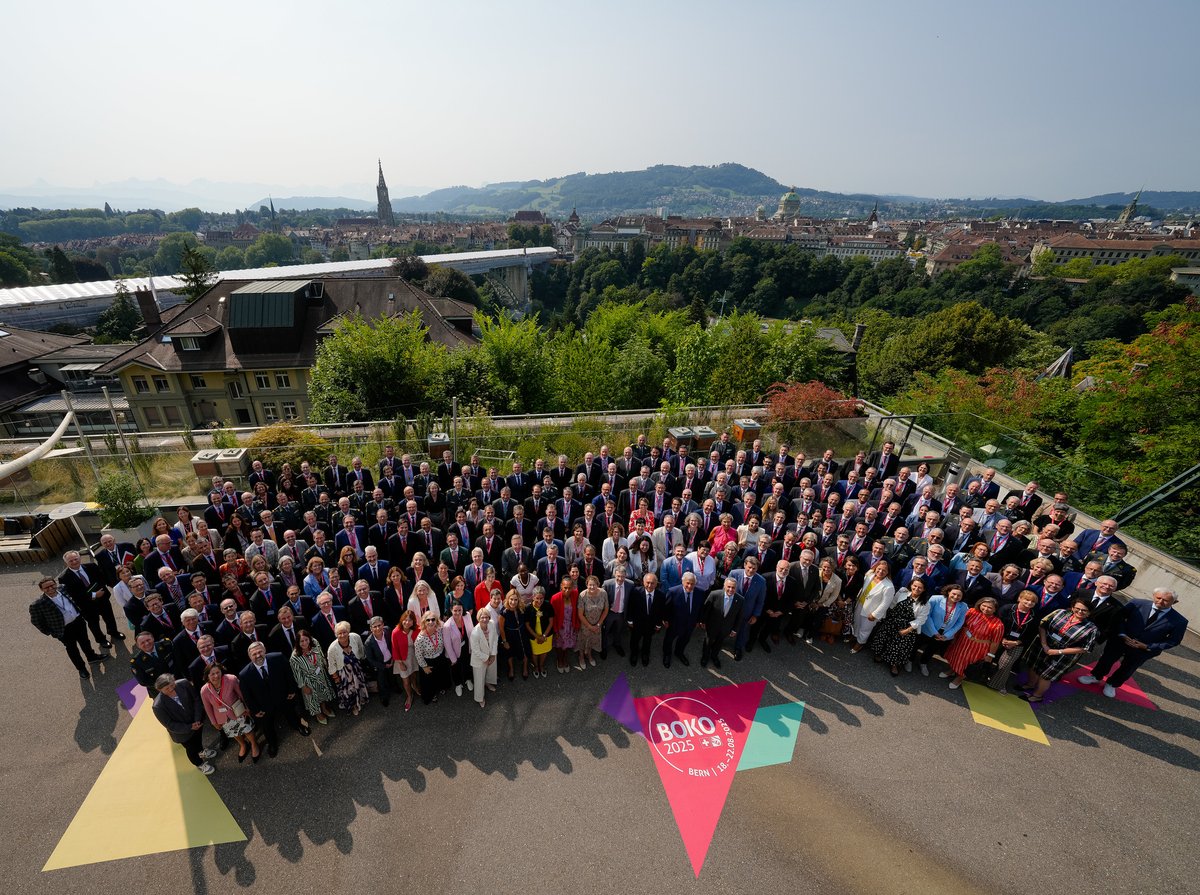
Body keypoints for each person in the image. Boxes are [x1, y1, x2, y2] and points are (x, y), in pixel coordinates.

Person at [1079, 589, 1188, 697]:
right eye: (1158, 598)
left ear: (1174, 602)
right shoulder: (1137, 603)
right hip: (1120, 640)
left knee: (1128, 668)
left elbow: (1174, 640)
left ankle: (1112, 684)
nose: (1160, 601)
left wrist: (1147, 646)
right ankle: (1095, 676)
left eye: (1165, 600)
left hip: (1143, 649)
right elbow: (1119, 619)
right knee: (1106, 659)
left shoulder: (1179, 621)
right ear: (1154, 595)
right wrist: (1122, 634)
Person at [1018, 596, 1099, 703]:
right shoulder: (1060, 612)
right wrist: (1044, 643)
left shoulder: (1091, 629)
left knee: (1046, 676)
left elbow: (1085, 648)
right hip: (1042, 646)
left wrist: (1058, 651)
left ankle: (1037, 696)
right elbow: (1043, 625)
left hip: (1063, 656)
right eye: (1077, 608)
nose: (1080, 612)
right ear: (1072, 607)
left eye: (1084, 610)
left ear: (1089, 613)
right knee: (1034, 666)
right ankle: (1030, 684)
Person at [238, 641, 310, 757]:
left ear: (265, 650)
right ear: (249, 656)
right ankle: (272, 743)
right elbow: (247, 695)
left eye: (260, 652)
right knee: (267, 726)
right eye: (254, 654)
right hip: (264, 706)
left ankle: (298, 726)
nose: (258, 656)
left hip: (283, 697)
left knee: (291, 713)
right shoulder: (244, 674)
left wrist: (292, 690)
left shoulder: (278, 657)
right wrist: (255, 710)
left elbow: (289, 674)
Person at [30, 576, 106, 679]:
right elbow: (36, 621)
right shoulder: (38, 604)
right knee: (72, 649)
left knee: (85, 642)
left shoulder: (63, 588)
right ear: (41, 589)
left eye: (52, 585)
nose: (50, 588)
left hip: (78, 622)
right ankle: (81, 669)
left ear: (55, 584)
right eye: (46, 588)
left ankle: (92, 657)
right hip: (63, 630)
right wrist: (51, 632)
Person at [152, 674, 216, 775]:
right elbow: (169, 724)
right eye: (166, 689)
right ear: (159, 690)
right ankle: (199, 763)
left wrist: (197, 719)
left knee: (198, 740)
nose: (171, 689)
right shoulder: (158, 706)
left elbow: (196, 699)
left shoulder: (184, 683)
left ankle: (201, 751)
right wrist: (190, 727)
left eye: (172, 685)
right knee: (191, 748)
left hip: (197, 721)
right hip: (182, 733)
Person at [199, 662, 259, 763]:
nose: (216, 676)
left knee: (247, 729)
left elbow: (242, 694)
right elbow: (208, 708)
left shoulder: (231, 679)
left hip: (238, 711)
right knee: (234, 733)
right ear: (207, 676)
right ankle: (243, 744)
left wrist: (247, 708)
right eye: (212, 674)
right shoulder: (204, 690)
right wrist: (214, 722)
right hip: (222, 718)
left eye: (218, 672)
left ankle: (253, 744)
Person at [869, 579, 930, 676]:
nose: (916, 589)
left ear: (924, 589)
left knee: (899, 646)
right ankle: (881, 655)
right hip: (892, 622)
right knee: (886, 639)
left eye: (920, 587)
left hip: (907, 627)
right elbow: (892, 604)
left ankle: (894, 665)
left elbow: (921, 620)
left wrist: (907, 630)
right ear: (911, 585)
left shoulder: (925, 603)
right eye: (915, 586)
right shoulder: (902, 593)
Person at [942, 596, 1004, 689]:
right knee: (956, 657)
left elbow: (995, 642)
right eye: (984, 606)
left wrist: (990, 655)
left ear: (995, 609)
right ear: (980, 604)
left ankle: (959, 678)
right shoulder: (972, 612)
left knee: (968, 663)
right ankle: (951, 670)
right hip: (963, 640)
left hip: (978, 647)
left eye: (990, 607)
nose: (986, 609)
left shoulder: (998, 624)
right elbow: (962, 623)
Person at [988, 590, 1040, 693]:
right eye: (1027, 599)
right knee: (988, 657)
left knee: (1005, 664)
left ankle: (997, 684)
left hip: (1017, 644)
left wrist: (1016, 643)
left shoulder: (1035, 617)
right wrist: (1002, 638)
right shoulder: (1007, 608)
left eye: (1032, 602)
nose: (1029, 603)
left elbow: (1032, 634)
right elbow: (997, 623)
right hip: (998, 638)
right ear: (1019, 598)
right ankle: (979, 674)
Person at [913, 585, 967, 676]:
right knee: (917, 645)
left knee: (931, 649)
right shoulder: (935, 599)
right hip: (928, 628)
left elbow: (960, 622)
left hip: (944, 633)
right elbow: (927, 615)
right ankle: (909, 660)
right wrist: (934, 632)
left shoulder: (963, 606)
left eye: (959, 596)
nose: (956, 597)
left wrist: (947, 635)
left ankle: (923, 663)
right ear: (948, 592)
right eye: (954, 594)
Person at [289, 628, 335, 725]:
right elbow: (297, 673)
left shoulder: (314, 643)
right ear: (298, 642)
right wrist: (303, 686)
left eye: (306, 640)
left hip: (320, 675)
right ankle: (318, 714)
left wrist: (326, 666)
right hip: (308, 681)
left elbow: (321, 655)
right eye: (302, 641)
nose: (305, 643)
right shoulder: (294, 657)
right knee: (313, 699)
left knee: (323, 693)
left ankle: (324, 709)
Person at [850, 560, 895, 653]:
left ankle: (860, 644)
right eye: (879, 569)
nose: (881, 572)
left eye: (884, 570)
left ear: (888, 572)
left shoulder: (889, 586)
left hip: (871, 612)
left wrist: (875, 614)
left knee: (865, 629)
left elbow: (885, 603)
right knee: (856, 623)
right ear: (875, 568)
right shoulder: (869, 576)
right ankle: (855, 637)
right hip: (860, 605)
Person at [700, 577, 744, 669]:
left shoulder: (740, 600)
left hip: (726, 628)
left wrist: (735, 630)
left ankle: (714, 656)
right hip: (712, 625)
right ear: (724, 585)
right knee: (708, 641)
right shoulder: (714, 594)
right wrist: (703, 621)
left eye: (733, 588)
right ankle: (705, 656)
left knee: (719, 643)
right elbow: (706, 609)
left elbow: (739, 617)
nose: (730, 590)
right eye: (728, 587)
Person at [327, 621, 369, 715]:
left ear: (348, 631)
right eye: (339, 633)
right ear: (336, 635)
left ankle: (361, 700)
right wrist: (336, 678)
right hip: (344, 673)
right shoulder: (332, 648)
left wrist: (362, 660)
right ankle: (353, 706)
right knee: (349, 691)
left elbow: (361, 649)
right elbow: (331, 666)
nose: (342, 635)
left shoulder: (355, 637)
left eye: (344, 632)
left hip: (356, 668)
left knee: (359, 684)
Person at [628, 571, 668, 667]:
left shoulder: (661, 595)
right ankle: (634, 653)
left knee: (648, 640)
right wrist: (630, 620)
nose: (650, 585)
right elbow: (630, 607)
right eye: (648, 582)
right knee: (635, 639)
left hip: (651, 624)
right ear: (643, 582)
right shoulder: (636, 592)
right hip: (637, 623)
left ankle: (645, 654)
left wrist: (658, 624)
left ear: (656, 584)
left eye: (652, 583)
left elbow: (661, 611)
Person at [415, 612, 452, 703]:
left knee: (440, 675)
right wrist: (424, 666)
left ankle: (441, 688)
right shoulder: (420, 639)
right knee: (429, 680)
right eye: (428, 620)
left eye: (433, 619)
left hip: (440, 657)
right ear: (424, 622)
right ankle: (432, 694)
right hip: (428, 661)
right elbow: (418, 654)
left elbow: (447, 624)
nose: (431, 622)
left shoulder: (439, 629)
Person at [389, 610, 421, 711]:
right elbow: (394, 648)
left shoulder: (416, 629)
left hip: (413, 656)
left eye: (410, 620)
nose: (407, 622)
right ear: (401, 620)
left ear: (413, 621)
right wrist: (400, 663)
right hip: (402, 659)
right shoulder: (396, 632)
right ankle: (409, 696)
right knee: (405, 680)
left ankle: (415, 686)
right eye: (405, 620)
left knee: (413, 674)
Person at [469, 607, 500, 708]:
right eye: (482, 617)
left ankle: (488, 683)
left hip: (491, 654)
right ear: (478, 618)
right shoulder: (475, 632)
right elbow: (476, 650)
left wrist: (493, 654)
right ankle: (480, 698)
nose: (485, 619)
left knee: (490, 671)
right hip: (479, 659)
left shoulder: (491, 624)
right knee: (479, 679)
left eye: (487, 617)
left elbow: (495, 638)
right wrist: (487, 658)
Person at [443, 601, 475, 696]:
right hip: (454, 650)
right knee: (455, 667)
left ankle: (468, 679)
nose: (458, 613)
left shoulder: (467, 615)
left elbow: (472, 630)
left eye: (460, 610)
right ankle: (458, 684)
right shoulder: (447, 626)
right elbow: (447, 644)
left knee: (467, 663)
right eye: (455, 610)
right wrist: (453, 658)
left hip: (467, 645)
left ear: (462, 609)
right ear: (451, 610)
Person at [576, 575, 608, 668]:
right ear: (586, 585)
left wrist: (598, 625)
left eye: (594, 585)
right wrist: (590, 626)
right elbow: (580, 614)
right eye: (590, 585)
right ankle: (581, 656)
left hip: (598, 623)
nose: (592, 587)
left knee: (591, 640)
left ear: (598, 584)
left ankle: (589, 654)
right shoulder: (582, 595)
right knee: (583, 640)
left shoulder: (603, 593)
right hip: (585, 624)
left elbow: (606, 609)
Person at [550, 577, 580, 672]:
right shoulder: (555, 598)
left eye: (569, 587)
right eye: (565, 587)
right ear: (561, 587)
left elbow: (577, 611)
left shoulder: (575, 594)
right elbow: (552, 616)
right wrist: (555, 630)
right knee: (559, 645)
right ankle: (559, 660)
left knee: (567, 645)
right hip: (560, 626)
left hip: (570, 626)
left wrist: (576, 625)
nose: (567, 590)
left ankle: (565, 659)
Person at [524, 588, 555, 678]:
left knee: (544, 651)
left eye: (541, 598)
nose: (539, 601)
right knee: (535, 652)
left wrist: (544, 636)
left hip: (546, 635)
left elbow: (551, 621)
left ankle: (541, 666)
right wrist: (537, 637)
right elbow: (527, 624)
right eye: (537, 598)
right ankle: (536, 666)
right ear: (533, 597)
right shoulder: (528, 608)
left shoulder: (548, 605)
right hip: (533, 636)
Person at [501, 591, 530, 680]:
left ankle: (525, 668)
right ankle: (511, 669)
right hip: (510, 634)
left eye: (515, 600)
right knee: (510, 652)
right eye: (511, 599)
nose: (513, 602)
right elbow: (501, 628)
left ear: (518, 600)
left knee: (525, 650)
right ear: (508, 599)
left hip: (521, 633)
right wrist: (504, 641)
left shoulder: (522, 608)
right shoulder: (504, 612)